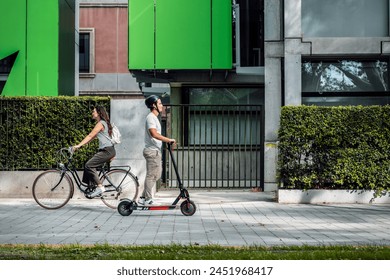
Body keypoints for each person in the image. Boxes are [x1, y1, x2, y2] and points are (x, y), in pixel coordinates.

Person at [139, 95, 176, 205]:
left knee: (156, 174)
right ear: (153, 105)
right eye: (159, 103)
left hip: (154, 150)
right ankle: (148, 199)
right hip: (152, 151)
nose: (162, 105)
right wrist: (168, 140)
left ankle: (142, 197)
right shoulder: (151, 117)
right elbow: (153, 134)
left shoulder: (154, 118)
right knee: (152, 175)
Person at [72, 105, 116, 198]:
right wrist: (81, 145)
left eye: (94, 111)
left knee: (89, 165)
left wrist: (78, 145)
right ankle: (90, 187)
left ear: (99, 113)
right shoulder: (103, 123)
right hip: (108, 150)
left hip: (107, 151)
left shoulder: (101, 123)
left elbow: (90, 135)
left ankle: (100, 187)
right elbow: (92, 138)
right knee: (89, 164)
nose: (92, 113)